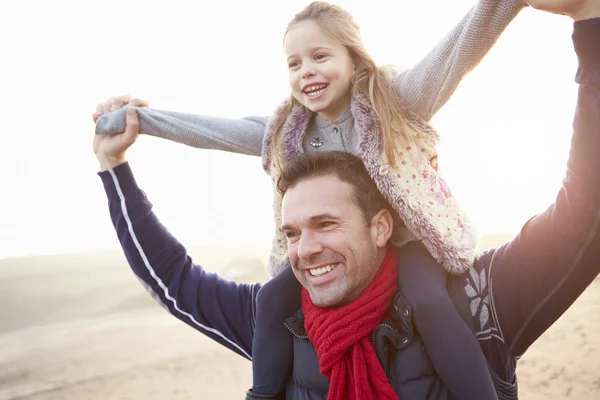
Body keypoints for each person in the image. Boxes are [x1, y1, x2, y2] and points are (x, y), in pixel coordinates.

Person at [93, 0, 600, 396]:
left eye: (320, 56)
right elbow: (216, 133)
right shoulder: (285, 132)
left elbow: (460, 49)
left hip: (414, 245)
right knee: (272, 298)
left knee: (427, 298)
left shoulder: (395, 102)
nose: (306, 72)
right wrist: (141, 126)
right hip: (342, 277)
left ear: (353, 56)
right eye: (293, 62)